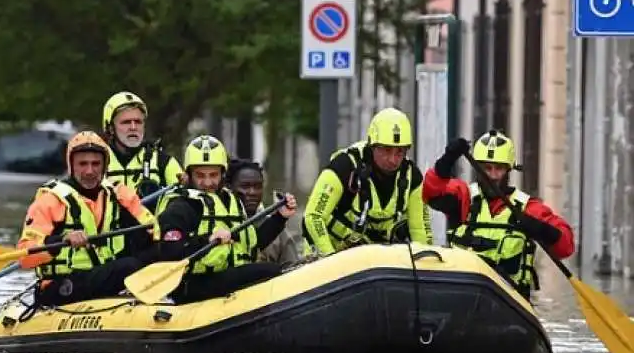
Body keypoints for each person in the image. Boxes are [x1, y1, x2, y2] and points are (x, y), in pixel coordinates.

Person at [422, 130, 576, 300]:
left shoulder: (527, 207)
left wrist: (540, 228)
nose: (493, 175)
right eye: (487, 168)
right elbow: (431, 192)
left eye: (499, 168)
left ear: (509, 170)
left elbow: (566, 246)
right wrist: (446, 161)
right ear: (477, 168)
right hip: (463, 294)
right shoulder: (463, 196)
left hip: (508, 298)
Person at [17, 130, 159, 306]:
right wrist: (61, 240)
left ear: (105, 165)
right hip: (60, 285)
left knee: (149, 257)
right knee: (129, 266)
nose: (90, 171)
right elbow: (25, 256)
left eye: (96, 164)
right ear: (71, 165)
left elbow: (154, 231)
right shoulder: (50, 201)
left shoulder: (120, 195)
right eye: (83, 164)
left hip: (101, 276)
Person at [155, 135, 298, 303]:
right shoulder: (181, 207)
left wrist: (280, 217)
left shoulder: (230, 201)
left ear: (223, 174)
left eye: (213, 175)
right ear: (189, 175)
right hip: (191, 284)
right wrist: (207, 240)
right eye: (200, 175)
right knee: (268, 271)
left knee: (270, 271)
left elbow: (252, 244)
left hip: (225, 275)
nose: (208, 182)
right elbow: (170, 254)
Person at [302, 107, 432, 256]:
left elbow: (419, 230)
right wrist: (329, 258)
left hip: (373, 260)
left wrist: (425, 263)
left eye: (400, 152)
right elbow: (313, 217)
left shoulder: (412, 177)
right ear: (373, 146)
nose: (393, 160)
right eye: (387, 150)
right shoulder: (344, 166)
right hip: (330, 251)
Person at [101, 91, 184, 199]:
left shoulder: (163, 162)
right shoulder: (96, 162)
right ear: (110, 128)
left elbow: (184, 203)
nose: (133, 127)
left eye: (138, 122)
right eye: (126, 122)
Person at [225, 157, 300, 267]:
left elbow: (293, 271)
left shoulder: (279, 232)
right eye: (245, 186)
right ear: (229, 188)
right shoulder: (219, 225)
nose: (252, 192)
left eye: (258, 186)